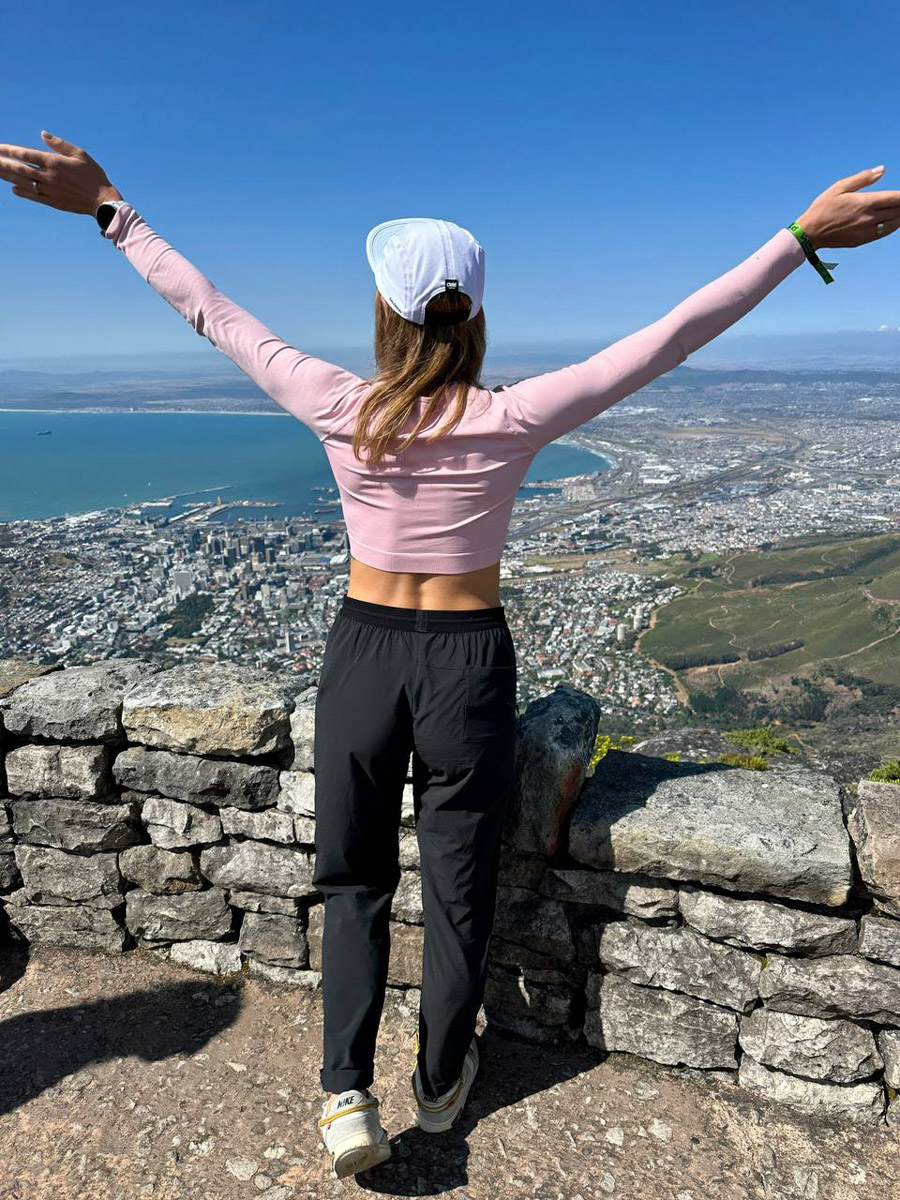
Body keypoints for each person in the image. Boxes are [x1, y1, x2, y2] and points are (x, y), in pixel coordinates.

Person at [3, 131, 899, 1179]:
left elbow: (210, 310)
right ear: (475, 317)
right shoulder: (515, 418)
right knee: (461, 881)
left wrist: (112, 207)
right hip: (469, 660)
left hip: (364, 656)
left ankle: (345, 1094)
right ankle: (437, 1082)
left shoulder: (341, 408)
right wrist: (797, 239)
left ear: (385, 316)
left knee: (354, 880)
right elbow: (674, 336)